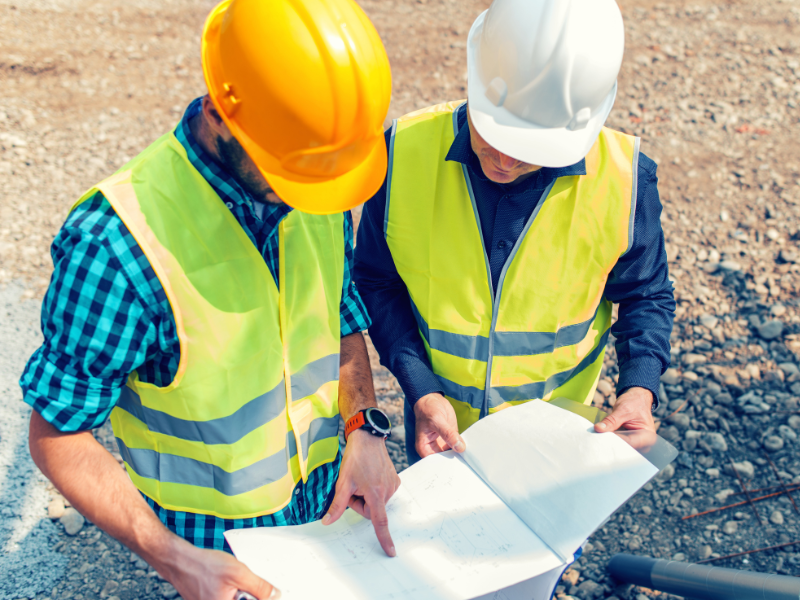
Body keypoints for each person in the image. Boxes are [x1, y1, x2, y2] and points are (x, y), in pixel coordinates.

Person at [21, 1, 399, 598]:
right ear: (224, 112)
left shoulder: (315, 179)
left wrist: (363, 428)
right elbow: (58, 431)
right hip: (214, 549)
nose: (311, 194)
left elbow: (341, 316)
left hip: (327, 515)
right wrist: (175, 559)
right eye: (292, 171)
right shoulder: (117, 244)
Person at [354, 0, 676, 465]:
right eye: (496, 135)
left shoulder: (625, 181)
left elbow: (646, 294)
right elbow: (375, 281)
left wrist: (640, 387)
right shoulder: (404, 153)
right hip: (440, 437)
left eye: (529, 148)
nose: (505, 160)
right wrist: (420, 389)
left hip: (557, 447)